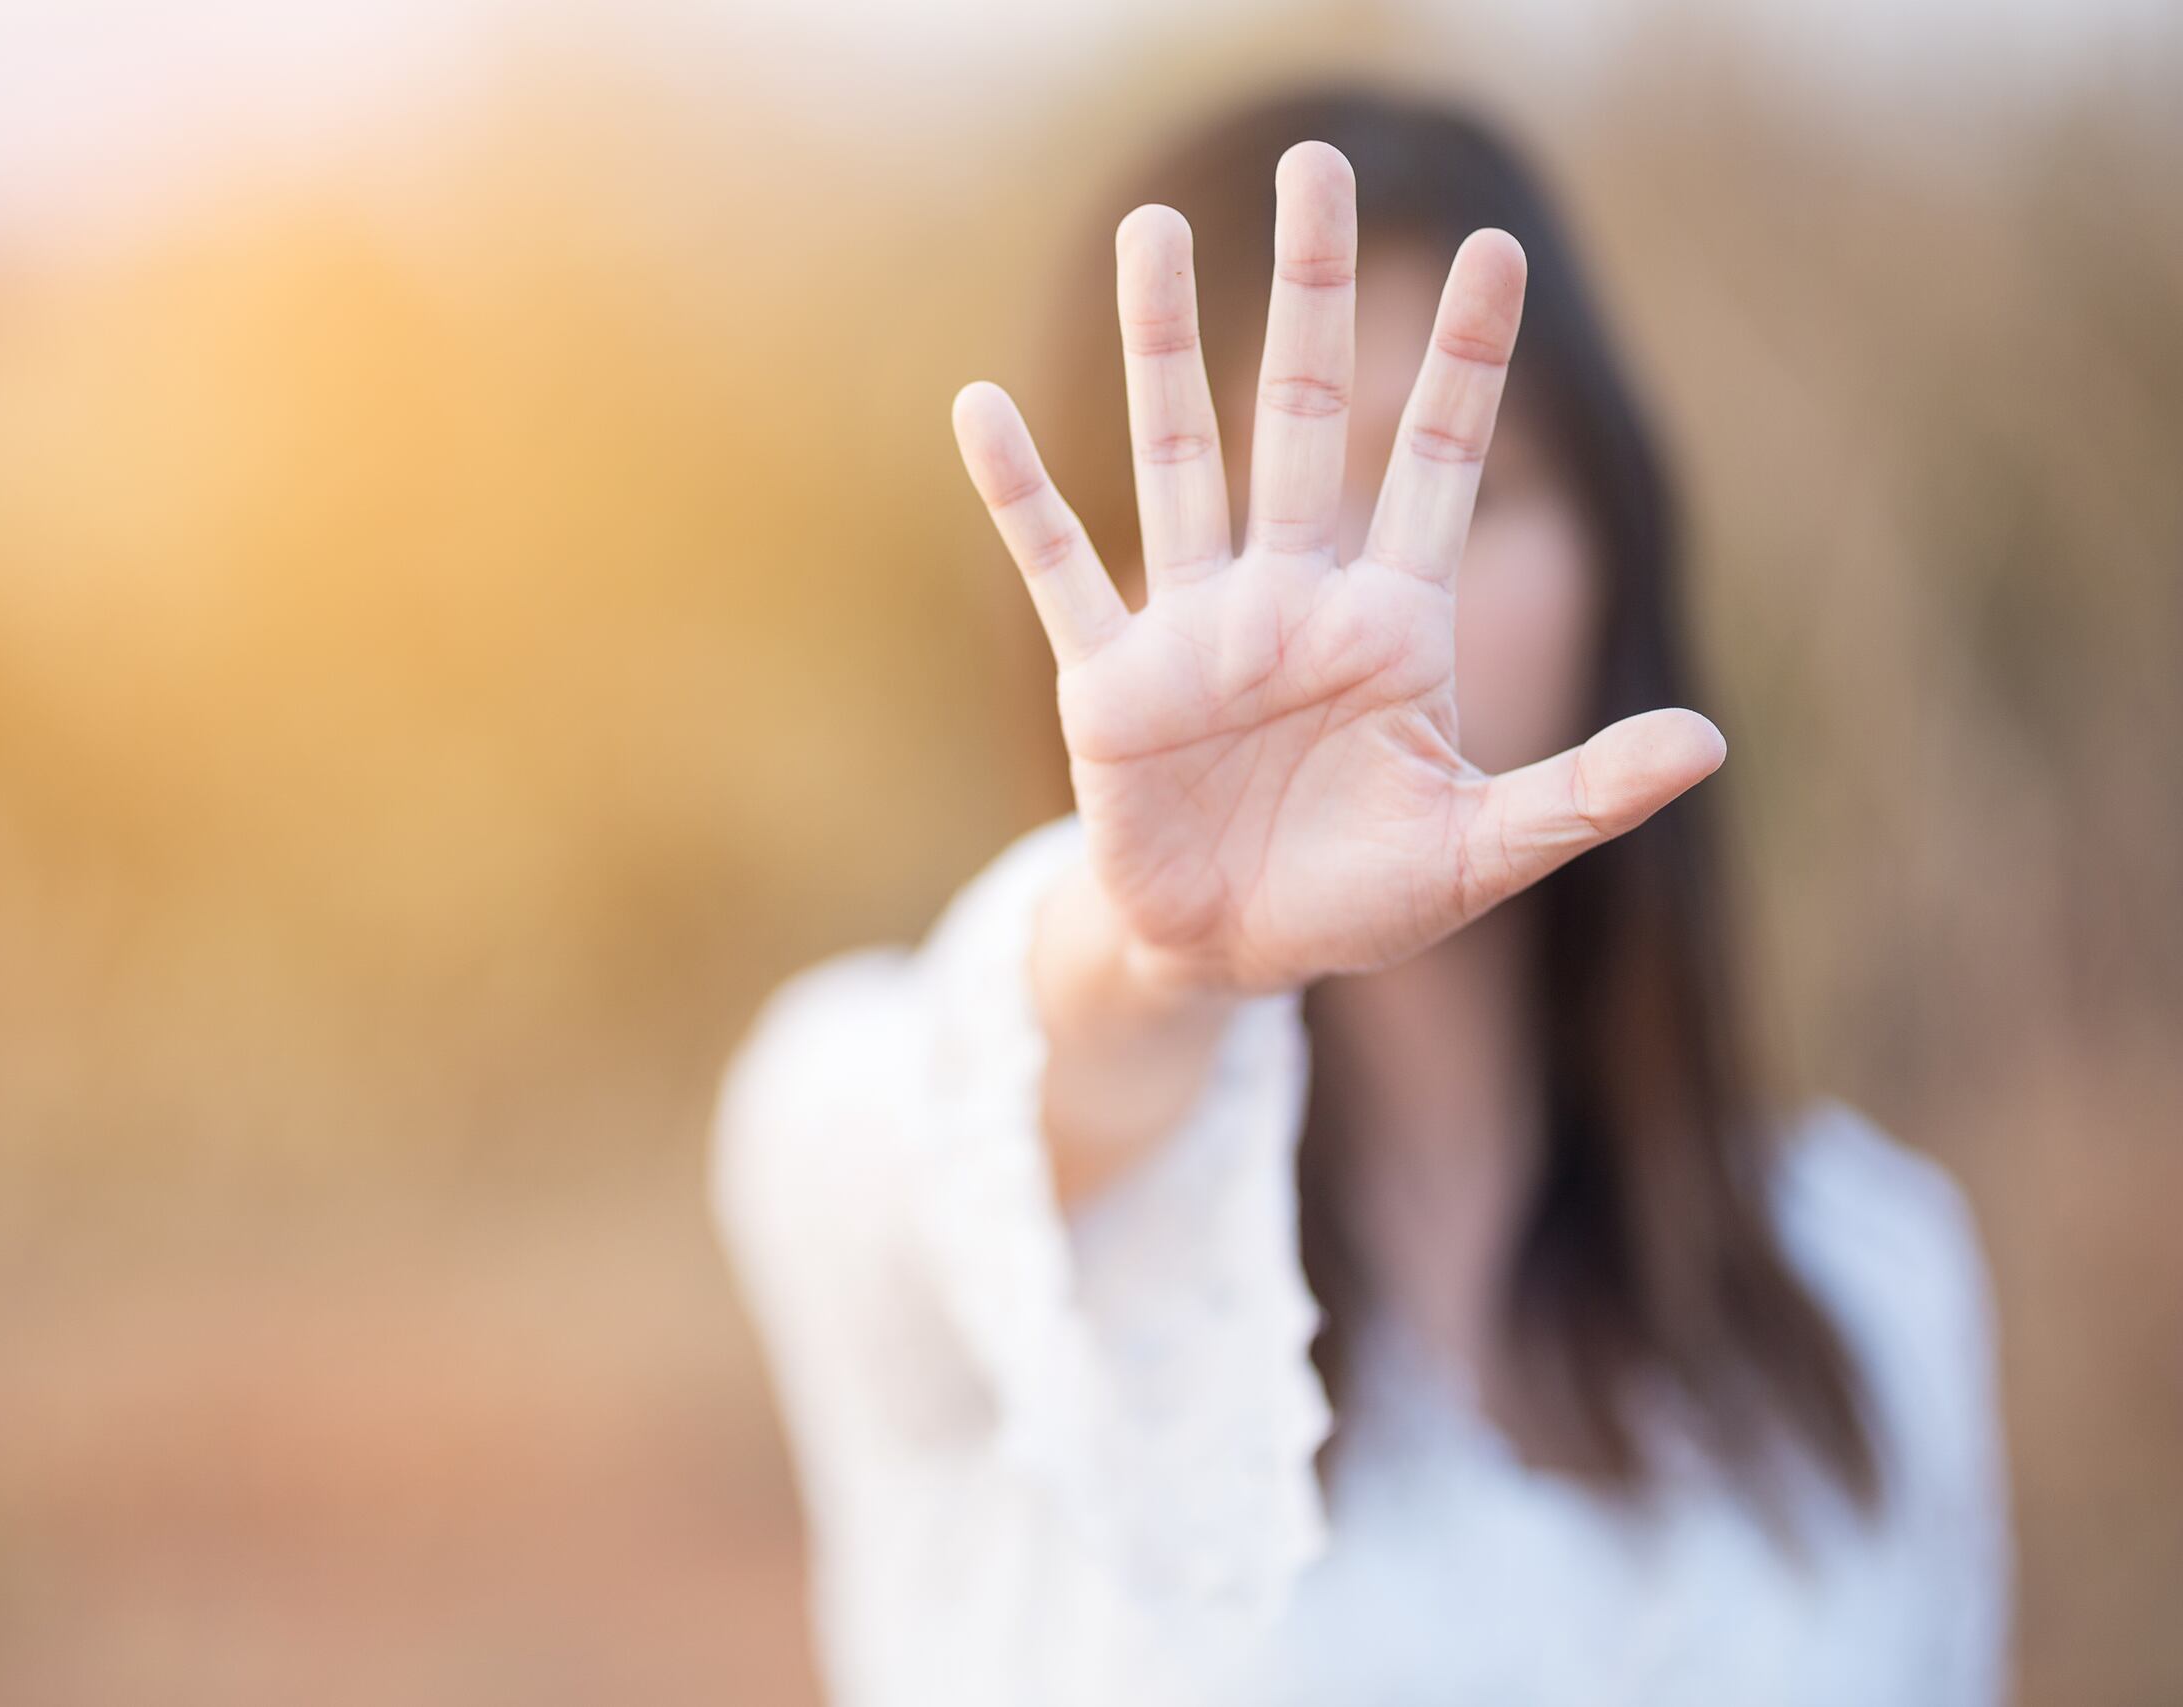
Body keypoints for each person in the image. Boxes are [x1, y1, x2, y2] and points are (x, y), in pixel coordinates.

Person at [710, 91, 2008, 1706]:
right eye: (1267, 507)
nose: (1355, 600)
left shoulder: (1877, 1279)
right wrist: (1159, 950)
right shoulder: (886, 1159)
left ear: (1616, 559)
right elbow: (970, 1111)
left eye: (1473, 486)